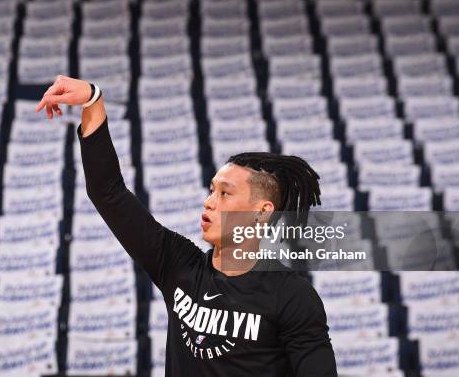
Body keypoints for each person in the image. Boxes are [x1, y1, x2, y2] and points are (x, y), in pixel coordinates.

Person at [36, 75, 338, 376]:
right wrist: (93, 100)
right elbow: (107, 192)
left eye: (225, 193)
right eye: (211, 190)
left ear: (262, 212)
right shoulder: (178, 263)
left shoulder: (292, 296)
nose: (209, 202)